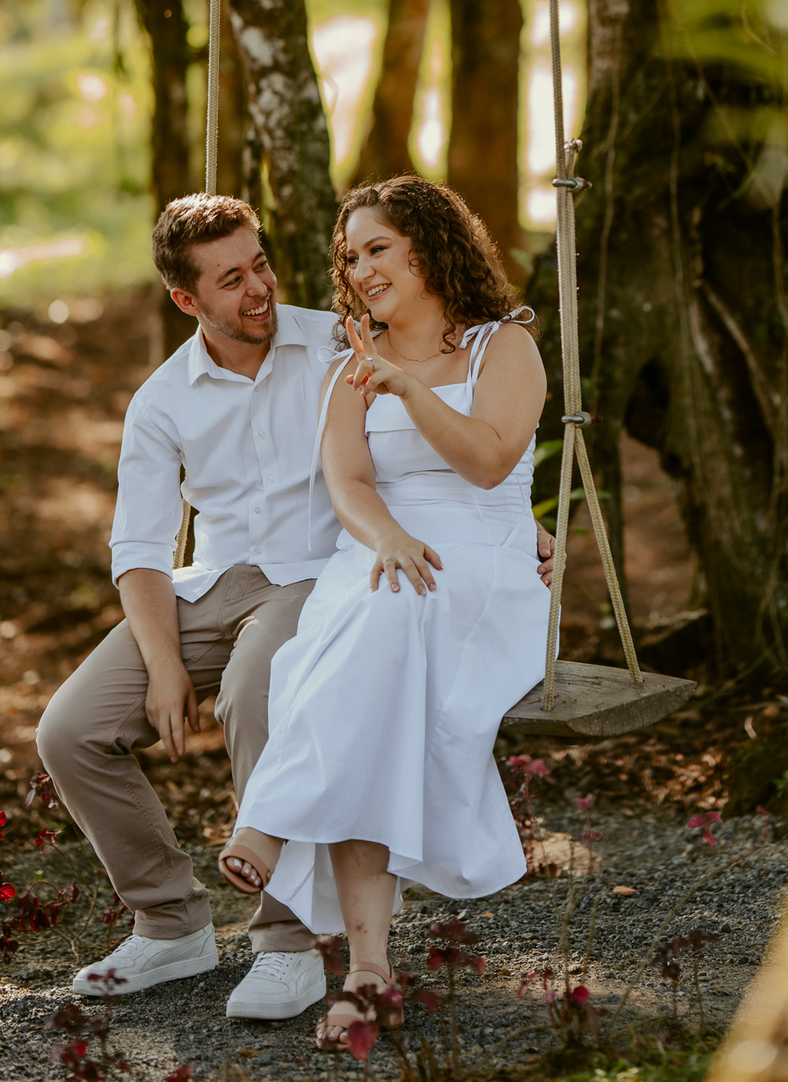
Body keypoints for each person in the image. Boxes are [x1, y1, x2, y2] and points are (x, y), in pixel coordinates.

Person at [34, 193, 554, 1023]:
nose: (258, 290)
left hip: (317, 576)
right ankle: (171, 922)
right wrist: (163, 665)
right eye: (231, 280)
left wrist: (515, 522)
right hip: (213, 583)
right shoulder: (163, 400)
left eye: (261, 265)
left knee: (260, 688)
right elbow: (138, 550)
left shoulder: (338, 342)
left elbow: (460, 448)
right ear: (186, 299)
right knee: (68, 730)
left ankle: (287, 942)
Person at [217, 177, 553, 1050]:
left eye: (379, 249)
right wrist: (389, 537)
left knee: (374, 628)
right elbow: (350, 485)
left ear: (430, 249)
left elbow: (489, 463)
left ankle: (272, 821)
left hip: (484, 560)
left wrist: (406, 387)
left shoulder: (503, 347)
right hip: (382, 553)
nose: (362, 269)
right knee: (365, 639)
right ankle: (367, 972)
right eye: (351, 256)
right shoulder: (347, 369)